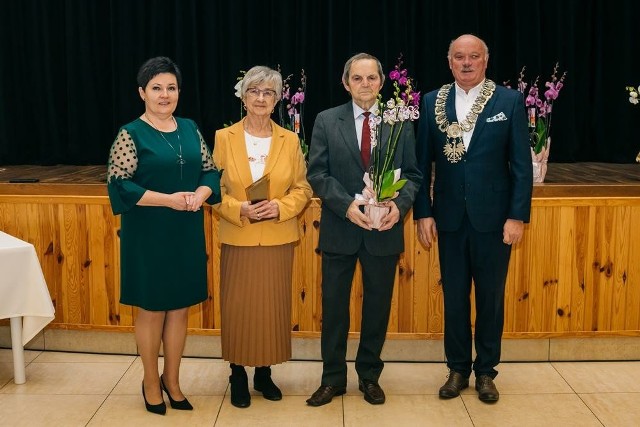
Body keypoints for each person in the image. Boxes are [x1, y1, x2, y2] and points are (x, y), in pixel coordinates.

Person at [413, 34, 533, 403]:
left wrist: (517, 216)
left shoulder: (509, 101)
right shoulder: (432, 101)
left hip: (495, 221)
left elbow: (521, 167)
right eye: (459, 57)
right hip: (447, 219)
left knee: (491, 298)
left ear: (486, 60)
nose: (467, 63)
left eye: (474, 57)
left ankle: (486, 372)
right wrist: (423, 212)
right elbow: (420, 164)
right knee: (454, 298)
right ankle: (457, 369)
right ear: (449, 62)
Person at [305, 53, 422, 407]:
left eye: (372, 78)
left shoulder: (399, 122)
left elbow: (414, 176)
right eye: (358, 78)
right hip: (341, 228)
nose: (365, 85)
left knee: (377, 307)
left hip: (383, 230)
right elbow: (317, 174)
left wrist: (398, 208)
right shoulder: (327, 120)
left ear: (381, 82)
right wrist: (347, 206)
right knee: (335, 307)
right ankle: (333, 379)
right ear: (346, 83)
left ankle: (369, 376)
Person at [107, 56, 221, 415]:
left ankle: (173, 381)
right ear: (142, 92)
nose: (164, 94)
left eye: (171, 88)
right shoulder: (130, 133)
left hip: (185, 230)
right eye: (156, 88)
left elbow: (210, 172)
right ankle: (151, 382)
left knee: (180, 310)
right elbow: (120, 185)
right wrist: (168, 200)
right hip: (149, 233)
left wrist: (201, 195)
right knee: (152, 310)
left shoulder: (189, 128)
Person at [212, 66, 312, 408]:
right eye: (254, 91)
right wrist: (239, 208)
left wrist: (281, 207)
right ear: (243, 96)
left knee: (272, 308)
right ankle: (237, 372)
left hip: (277, 237)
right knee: (238, 308)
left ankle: (265, 373)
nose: (260, 98)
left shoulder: (291, 139)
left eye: (268, 92)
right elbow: (214, 190)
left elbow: (302, 187)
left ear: (277, 99)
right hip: (238, 237)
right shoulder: (223, 138)